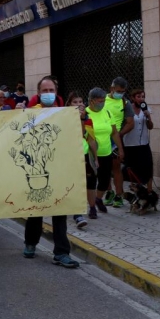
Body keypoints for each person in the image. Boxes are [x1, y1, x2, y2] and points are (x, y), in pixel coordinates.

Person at [22, 77, 80, 268]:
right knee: (36, 209)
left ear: (57, 91)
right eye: (44, 90)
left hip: (60, 167)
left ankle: (61, 253)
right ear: (38, 94)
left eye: (51, 90)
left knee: (60, 210)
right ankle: (31, 242)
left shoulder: (66, 113)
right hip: (39, 167)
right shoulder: (30, 113)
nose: (48, 93)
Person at [86, 87, 124, 218]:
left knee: (104, 180)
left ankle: (98, 198)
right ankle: (92, 207)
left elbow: (114, 133)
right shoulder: (85, 114)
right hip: (90, 155)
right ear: (91, 101)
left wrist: (120, 148)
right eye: (99, 101)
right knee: (91, 182)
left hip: (106, 153)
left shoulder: (107, 112)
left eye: (103, 100)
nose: (102, 103)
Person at [102, 77, 135, 209]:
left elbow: (130, 123)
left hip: (115, 140)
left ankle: (119, 195)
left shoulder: (125, 103)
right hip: (101, 139)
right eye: (118, 90)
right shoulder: (102, 99)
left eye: (123, 91)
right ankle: (109, 192)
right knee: (104, 169)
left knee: (116, 168)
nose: (120, 93)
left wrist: (118, 135)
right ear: (112, 88)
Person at [68, 91, 95, 228]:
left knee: (84, 183)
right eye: (75, 102)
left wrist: (95, 157)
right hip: (68, 155)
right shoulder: (65, 118)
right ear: (69, 105)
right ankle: (77, 213)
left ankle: (82, 210)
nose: (79, 105)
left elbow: (88, 136)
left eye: (80, 102)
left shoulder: (87, 118)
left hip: (83, 153)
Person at [123, 89, 154, 194]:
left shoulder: (146, 109)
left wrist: (148, 116)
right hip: (130, 144)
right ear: (133, 98)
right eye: (138, 97)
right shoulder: (127, 109)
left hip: (144, 144)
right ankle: (134, 192)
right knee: (132, 169)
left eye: (143, 97)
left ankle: (149, 191)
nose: (141, 99)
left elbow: (151, 126)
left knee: (148, 166)